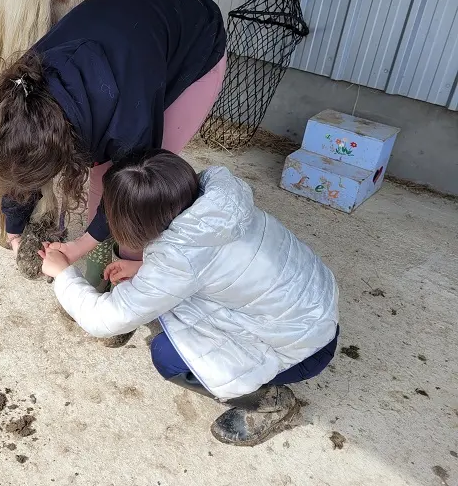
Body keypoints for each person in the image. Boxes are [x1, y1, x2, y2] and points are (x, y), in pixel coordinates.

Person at [39, 150, 340, 446]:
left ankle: (271, 401)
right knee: (173, 311)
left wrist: (63, 273)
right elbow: (214, 260)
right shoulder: (217, 201)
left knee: (167, 356)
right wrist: (145, 266)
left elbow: (104, 320)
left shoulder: (178, 260)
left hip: (305, 348)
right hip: (314, 308)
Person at [0, 0, 227, 288]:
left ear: (67, 149)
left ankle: (124, 287)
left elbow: (132, 190)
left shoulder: (128, 121)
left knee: (139, 194)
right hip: (131, 30)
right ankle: (102, 268)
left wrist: (78, 247)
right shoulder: (21, 95)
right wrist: (15, 230)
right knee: (102, 176)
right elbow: (18, 169)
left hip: (195, 39)